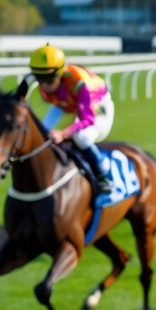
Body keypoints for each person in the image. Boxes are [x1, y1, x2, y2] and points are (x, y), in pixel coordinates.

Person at [28, 43, 114, 196]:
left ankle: (103, 174)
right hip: (69, 103)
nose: (44, 86)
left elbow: (87, 119)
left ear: (60, 74)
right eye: (40, 80)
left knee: (82, 137)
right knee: (42, 131)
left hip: (97, 106)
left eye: (49, 81)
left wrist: (63, 133)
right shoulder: (47, 78)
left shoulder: (79, 83)